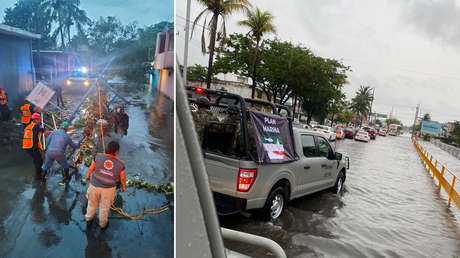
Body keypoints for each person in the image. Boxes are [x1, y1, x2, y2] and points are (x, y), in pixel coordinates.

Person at [85, 141, 126, 229]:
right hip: (109, 189)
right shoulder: (121, 164)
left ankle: (89, 219)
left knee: (92, 204)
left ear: (107, 149)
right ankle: (103, 224)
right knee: (104, 207)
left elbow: (91, 168)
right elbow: (122, 178)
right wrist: (124, 187)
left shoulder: (97, 156)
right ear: (117, 152)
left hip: (94, 186)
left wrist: (88, 177)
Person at [23, 113, 45, 180]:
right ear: (35, 120)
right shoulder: (35, 127)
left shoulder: (28, 126)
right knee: (38, 160)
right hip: (32, 147)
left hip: (26, 147)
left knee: (38, 160)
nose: (40, 121)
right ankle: (38, 177)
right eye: (39, 120)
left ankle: (39, 172)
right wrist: (42, 130)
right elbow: (36, 138)